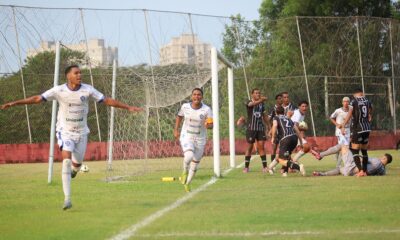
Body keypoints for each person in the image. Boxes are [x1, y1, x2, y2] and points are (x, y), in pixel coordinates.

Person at [0, 65, 143, 210]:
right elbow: (38, 98)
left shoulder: (88, 90)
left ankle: (75, 171)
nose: (80, 75)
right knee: (66, 161)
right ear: (68, 76)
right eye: (76, 73)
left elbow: (106, 100)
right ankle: (67, 199)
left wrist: (128, 107)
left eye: (80, 73)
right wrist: (15, 103)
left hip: (81, 133)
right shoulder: (59, 90)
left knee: (77, 165)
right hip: (64, 131)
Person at [174, 88, 213, 192]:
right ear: (191, 96)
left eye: (199, 95)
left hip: (200, 138)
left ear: (202, 97)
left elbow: (211, 125)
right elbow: (179, 116)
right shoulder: (185, 106)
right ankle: (184, 171)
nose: (196, 97)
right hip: (186, 135)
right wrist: (176, 130)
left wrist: (208, 124)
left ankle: (188, 184)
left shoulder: (207, 109)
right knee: (189, 156)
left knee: (195, 164)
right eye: (194, 94)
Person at [312, 97, 352, 168]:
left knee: (342, 148)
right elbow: (331, 117)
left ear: (349, 103)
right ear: (342, 102)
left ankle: (322, 155)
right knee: (344, 147)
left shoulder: (351, 110)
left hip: (348, 130)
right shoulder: (338, 110)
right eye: (344, 101)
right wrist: (337, 124)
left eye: (347, 102)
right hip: (340, 130)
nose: (346, 103)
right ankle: (339, 165)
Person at [342, 88, 373, 177]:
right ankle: (365, 171)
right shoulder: (367, 100)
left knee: (354, 149)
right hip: (367, 128)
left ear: (355, 94)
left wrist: (343, 125)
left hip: (358, 129)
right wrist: (370, 115)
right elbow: (371, 109)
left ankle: (360, 171)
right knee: (364, 150)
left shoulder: (354, 101)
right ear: (361, 93)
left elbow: (349, 113)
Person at [269, 106, 305, 177]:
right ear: (284, 112)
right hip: (294, 138)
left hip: (285, 139)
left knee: (281, 159)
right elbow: (296, 130)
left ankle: (298, 167)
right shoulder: (288, 119)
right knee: (285, 156)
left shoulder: (276, 117)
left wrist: (273, 137)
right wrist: (300, 142)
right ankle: (281, 171)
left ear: (276, 112)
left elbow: (275, 126)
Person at [242, 88, 268, 173]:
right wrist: (261, 100)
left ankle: (265, 167)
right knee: (250, 147)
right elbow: (250, 105)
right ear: (252, 94)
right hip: (251, 128)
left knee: (261, 147)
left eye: (259, 93)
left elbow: (264, 116)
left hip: (260, 129)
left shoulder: (261, 104)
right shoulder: (248, 101)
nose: (258, 94)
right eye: (256, 93)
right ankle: (246, 167)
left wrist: (269, 126)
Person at [267, 93, 283, 166]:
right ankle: (272, 165)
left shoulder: (284, 108)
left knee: (284, 148)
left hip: (283, 131)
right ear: (276, 100)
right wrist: (270, 129)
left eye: (281, 98)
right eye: (279, 98)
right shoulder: (273, 109)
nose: (281, 100)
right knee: (274, 148)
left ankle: (285, 165)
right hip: (275, 131)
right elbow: (269, 119)